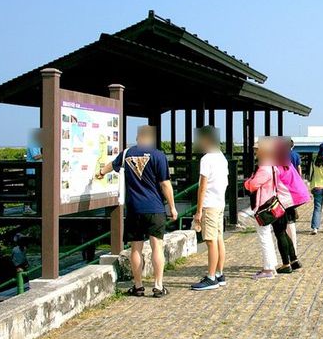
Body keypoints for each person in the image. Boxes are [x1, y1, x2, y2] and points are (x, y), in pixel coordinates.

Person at [96, 125, 177, 298]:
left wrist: (101, 172)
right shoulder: (158, 155)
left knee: (135, 249)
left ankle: (138, 286)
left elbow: (112, 165)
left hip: (134, 209)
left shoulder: (127, 154)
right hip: (154, 208)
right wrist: (172, 206)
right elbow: (165, 184)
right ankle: (158, 286)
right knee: (157, 247)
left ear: (138, 137)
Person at [191, 126, 229, 291]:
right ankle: (219, 274)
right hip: (220, 202)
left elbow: (202, 187)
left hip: (209, 204)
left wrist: (198, 211)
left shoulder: (206, 159)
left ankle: (211, 277)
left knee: (210, 241)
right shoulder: (221, 157)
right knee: (219, 239)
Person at [244, 138, 288, 279]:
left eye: (257, 150)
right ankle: (270, 267)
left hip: (263, 206)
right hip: (270, 204)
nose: (256, 153)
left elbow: (251, 185)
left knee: (264, 238)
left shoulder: (264, 168)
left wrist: (248, 181)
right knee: (267, 236)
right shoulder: (273, 166)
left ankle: (268, 269)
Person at [275, 138, 311, 271]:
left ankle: (286, 264)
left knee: (280, 232)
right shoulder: (288, 164)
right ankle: (294, 259)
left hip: (284, 201)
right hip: (293, 199)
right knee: (287, 229)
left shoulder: (276, 166)